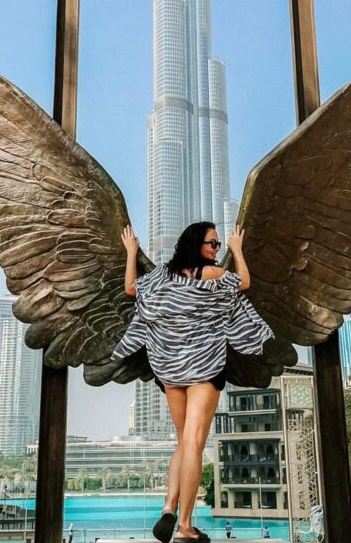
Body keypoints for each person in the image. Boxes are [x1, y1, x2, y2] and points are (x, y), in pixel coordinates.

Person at [113, 222, 273, 543]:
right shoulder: (209, 274)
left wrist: (131, 252)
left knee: (182, 441)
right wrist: (236, 250)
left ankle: (168, 506)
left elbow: (131, 289)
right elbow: (243, 283)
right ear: (196, 244)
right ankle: (185, 525)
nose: (216, 249)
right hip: (204, 366)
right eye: (213, 244)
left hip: (170, 368)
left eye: (218, 245)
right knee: (194, 442)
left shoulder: (162, 274)